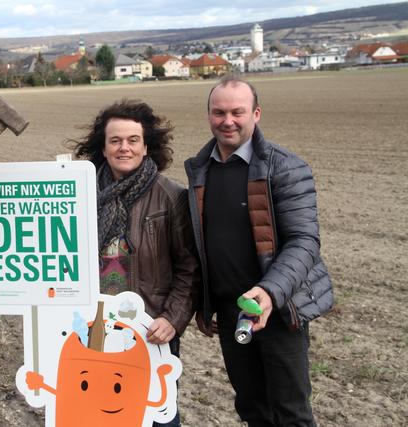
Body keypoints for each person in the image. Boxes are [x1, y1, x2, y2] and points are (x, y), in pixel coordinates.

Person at [184, 75, 333, 426]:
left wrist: (269, 292)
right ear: (209, 115)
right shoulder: (200, 170)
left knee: (292, 414)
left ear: (256, 114)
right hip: (231, 312)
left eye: (238, 111)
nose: (227, 121)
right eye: (219, 112)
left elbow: (304, 241)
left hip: (279, 311)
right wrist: (204, 302)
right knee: (252, 410)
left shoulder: (284, 167)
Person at [72, 99, 199, 427]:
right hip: (93, 328)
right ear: (103, 147)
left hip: (150, 328)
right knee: (100, 414)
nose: (123, 148)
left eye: (132, 140)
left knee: (155, 413)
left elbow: (190, 267)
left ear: (146, 147)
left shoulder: (171, 197)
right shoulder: (80, 193)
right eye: (115, 141)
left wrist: (172, 319)